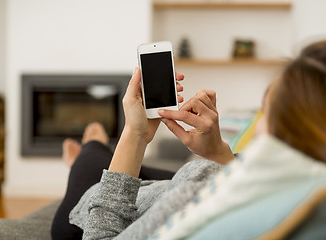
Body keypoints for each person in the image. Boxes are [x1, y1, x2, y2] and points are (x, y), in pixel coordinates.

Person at [52, 40, 326, 240]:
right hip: (161, 188)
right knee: (129, 168)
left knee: (90, 163)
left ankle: (89, 149)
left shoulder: (196, 191)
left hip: (82, 214)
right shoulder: (297, 192)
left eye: (265, 112)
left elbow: (100, 232)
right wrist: (220, 154)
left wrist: (135, 135)